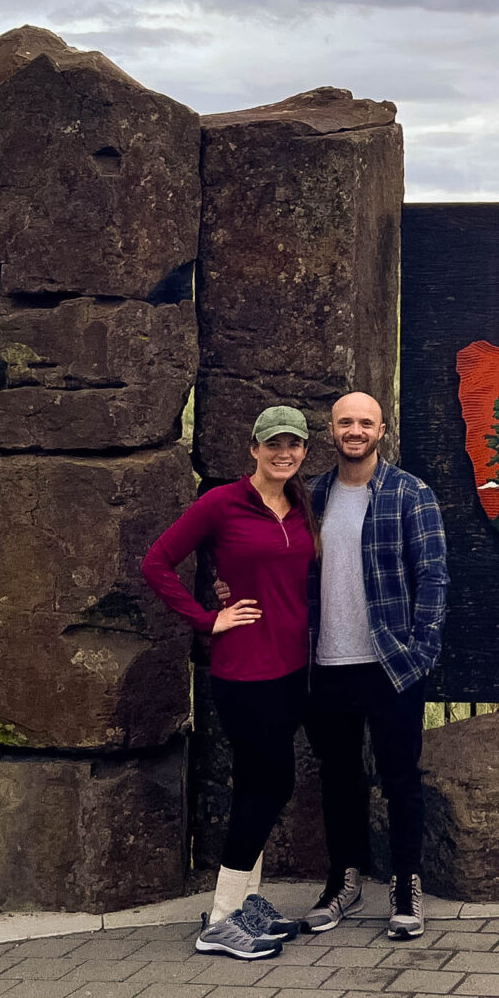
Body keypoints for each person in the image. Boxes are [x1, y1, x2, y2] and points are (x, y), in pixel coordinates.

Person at [140, 404, 317, 962]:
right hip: (245, 671)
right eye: (273, 444)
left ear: (304, 451)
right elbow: (156, 563)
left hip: (292, 669)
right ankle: (219, 920)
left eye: (293, 445)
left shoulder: (300, 504)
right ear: (254, 448)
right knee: (271, 787)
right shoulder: (222, 503)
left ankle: (246, 904)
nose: (283, 453)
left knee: (255, 788)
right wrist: (206, 616)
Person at [297, 390, 448, 941]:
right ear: (331, 430)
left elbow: (433, 579)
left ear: (381, 431)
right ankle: (344, 880)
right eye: (345, 422)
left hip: (391, 664)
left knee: (400, 777)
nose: (354, 431)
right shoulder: (311, 496)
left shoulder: (411, 494)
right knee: (339, 778)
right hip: (326, 663)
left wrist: (421, 650)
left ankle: (406, 884)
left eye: (365, 422)